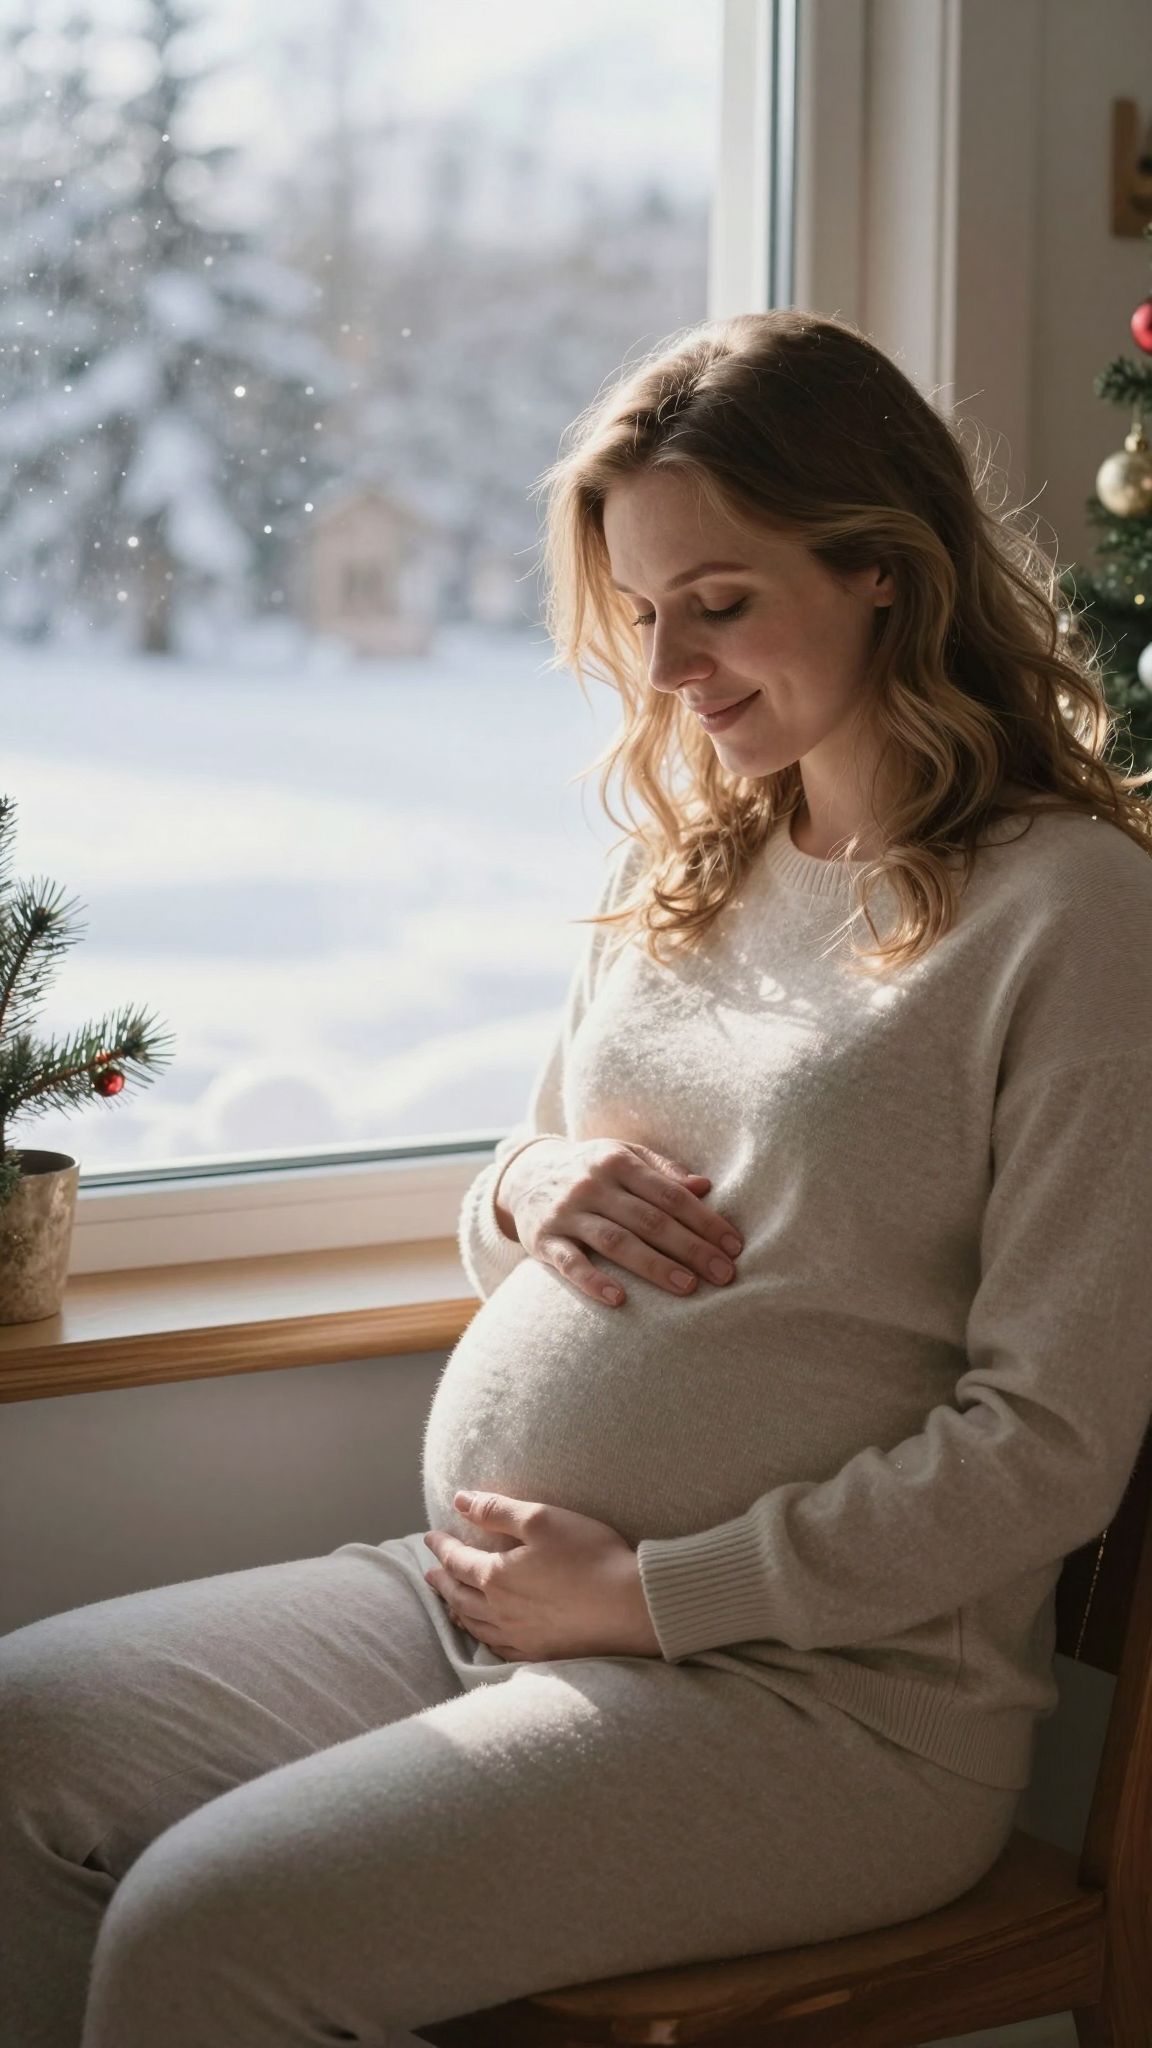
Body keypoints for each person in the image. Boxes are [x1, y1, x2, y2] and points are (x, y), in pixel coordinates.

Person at [4, 308, 1152, 2048]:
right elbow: (517, 1201)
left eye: (722, 600)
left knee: (201, 1931)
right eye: (642, 611)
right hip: (487, 1601)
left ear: (882, 573)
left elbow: (1051, 1442)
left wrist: (649, 1597)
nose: (674, 666)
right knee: (18, 1735)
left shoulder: (1070, 914)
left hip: (820, 1707)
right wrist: (534, 1185)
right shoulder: (705, 852)